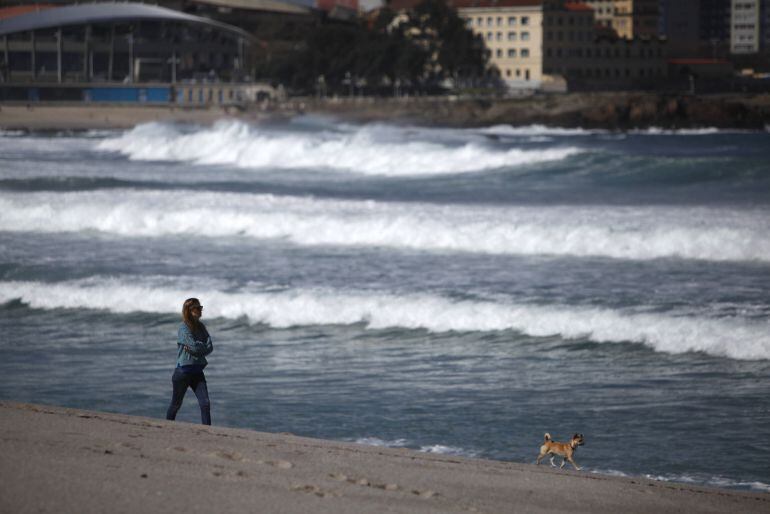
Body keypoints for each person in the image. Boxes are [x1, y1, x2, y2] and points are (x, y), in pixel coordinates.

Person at [166, 297, 214, 425]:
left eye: (201, 307)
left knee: (205, 404)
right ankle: (167, 427)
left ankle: (207, 433)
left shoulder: (201, 327)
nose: (200, 310)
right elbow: (193, 346)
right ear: (189, 310)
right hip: (183, 372)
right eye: (197, 308)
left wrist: (197, 347)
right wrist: (198, 347)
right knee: (176, 405)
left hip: (198, 371)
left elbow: (210, 347)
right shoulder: (183, 328)